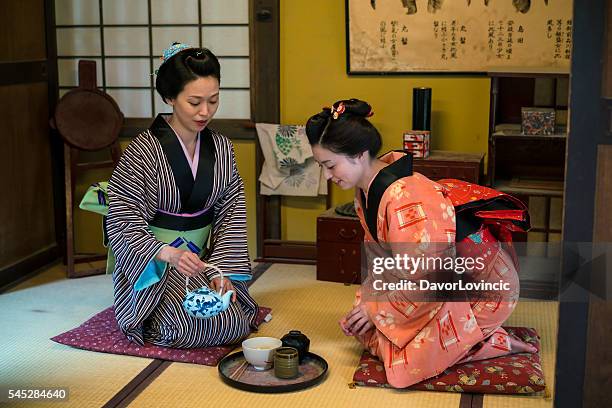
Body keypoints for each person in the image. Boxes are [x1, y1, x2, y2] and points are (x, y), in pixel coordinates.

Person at [305, 99, 535, 388]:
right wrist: (366, 307)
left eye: (330, 165)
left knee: (401, 369)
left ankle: (492, 341)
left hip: (480, 287)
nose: (326, 176)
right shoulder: (368, 193)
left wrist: (376, 311)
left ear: (360, 154)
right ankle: (466, 339)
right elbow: (383, 263)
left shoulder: (407, 195)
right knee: (366, 329)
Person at [104, 43, 258, 348]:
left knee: (233, 322)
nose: (205, 112)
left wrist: (221, 269)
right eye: (194, 102)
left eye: (213, 101)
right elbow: (122, 219)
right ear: (169, 97)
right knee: (187, 326)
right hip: (156, 263)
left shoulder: (222, 148)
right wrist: (168, 254)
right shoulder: (142, 151)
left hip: (200, 260)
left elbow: (231, 213)